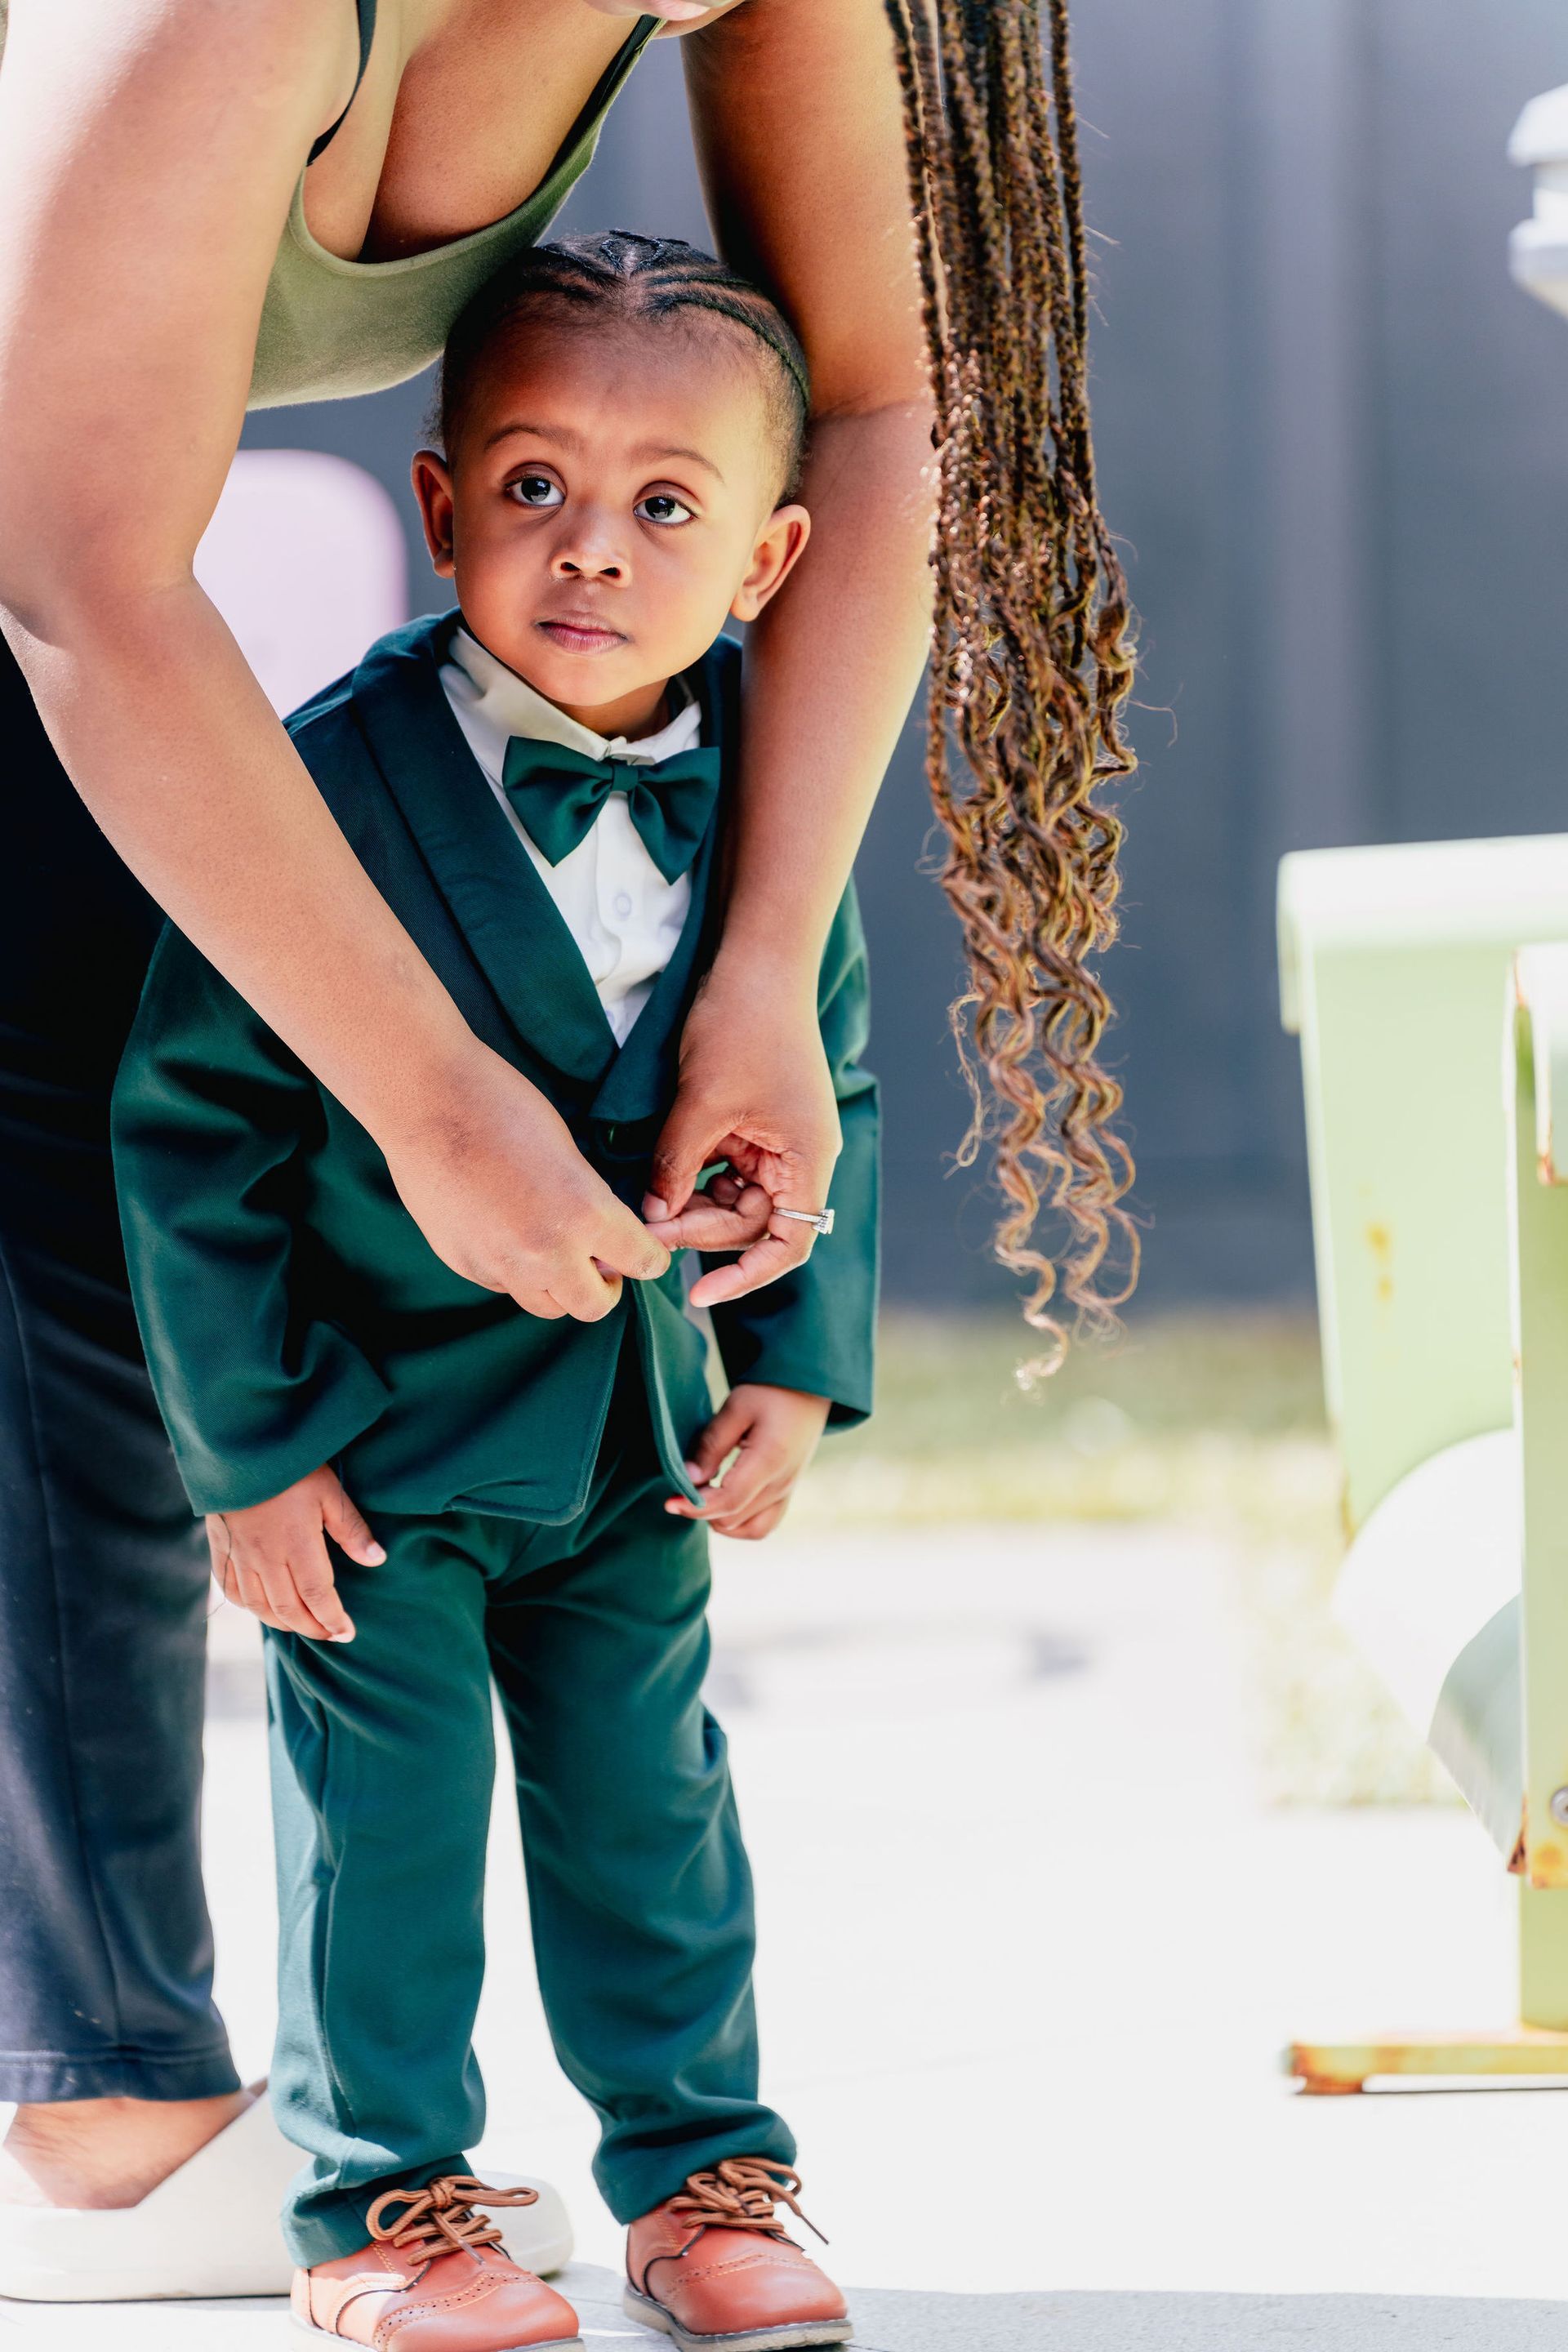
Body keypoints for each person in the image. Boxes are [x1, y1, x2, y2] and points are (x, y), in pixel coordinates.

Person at [0, 0, 932, 2279]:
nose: (598, 552)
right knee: (87, 1288)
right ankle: (234, 2133)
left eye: (662, 515)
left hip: (609, 1452)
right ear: (448, 505)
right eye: (535, 490)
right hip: (50, 541)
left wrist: (775, 1009)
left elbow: (896, 399)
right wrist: (415, 1131)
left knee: (651, 1807)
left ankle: (704, 2169)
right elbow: (80, 580)